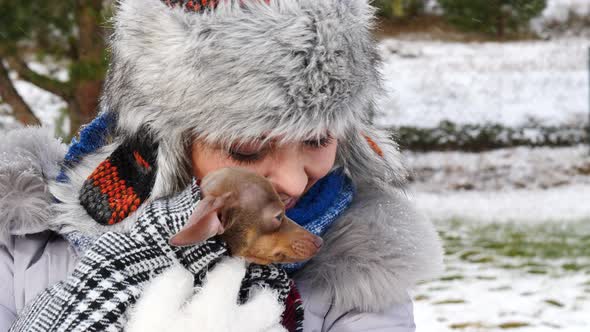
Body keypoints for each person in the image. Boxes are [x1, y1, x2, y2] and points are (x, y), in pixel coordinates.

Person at [0, 0, 444, 331]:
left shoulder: (361, 272)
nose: (292, 180)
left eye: (316, 139)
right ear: (167, 142)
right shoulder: (25, 241)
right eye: (247, 148)